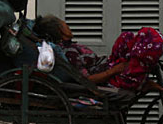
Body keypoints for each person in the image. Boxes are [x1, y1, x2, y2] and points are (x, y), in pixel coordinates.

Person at [33, 14, 163, 90]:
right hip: (109, 74)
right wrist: (115, 70)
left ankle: (141, 76)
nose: (68, 26)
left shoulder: (70, 46)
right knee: (148, 38)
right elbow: (87, 79)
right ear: (60, 30)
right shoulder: (69, 52)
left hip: (108, 64)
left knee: (127, 37)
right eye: (64, 24)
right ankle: (141, 79)